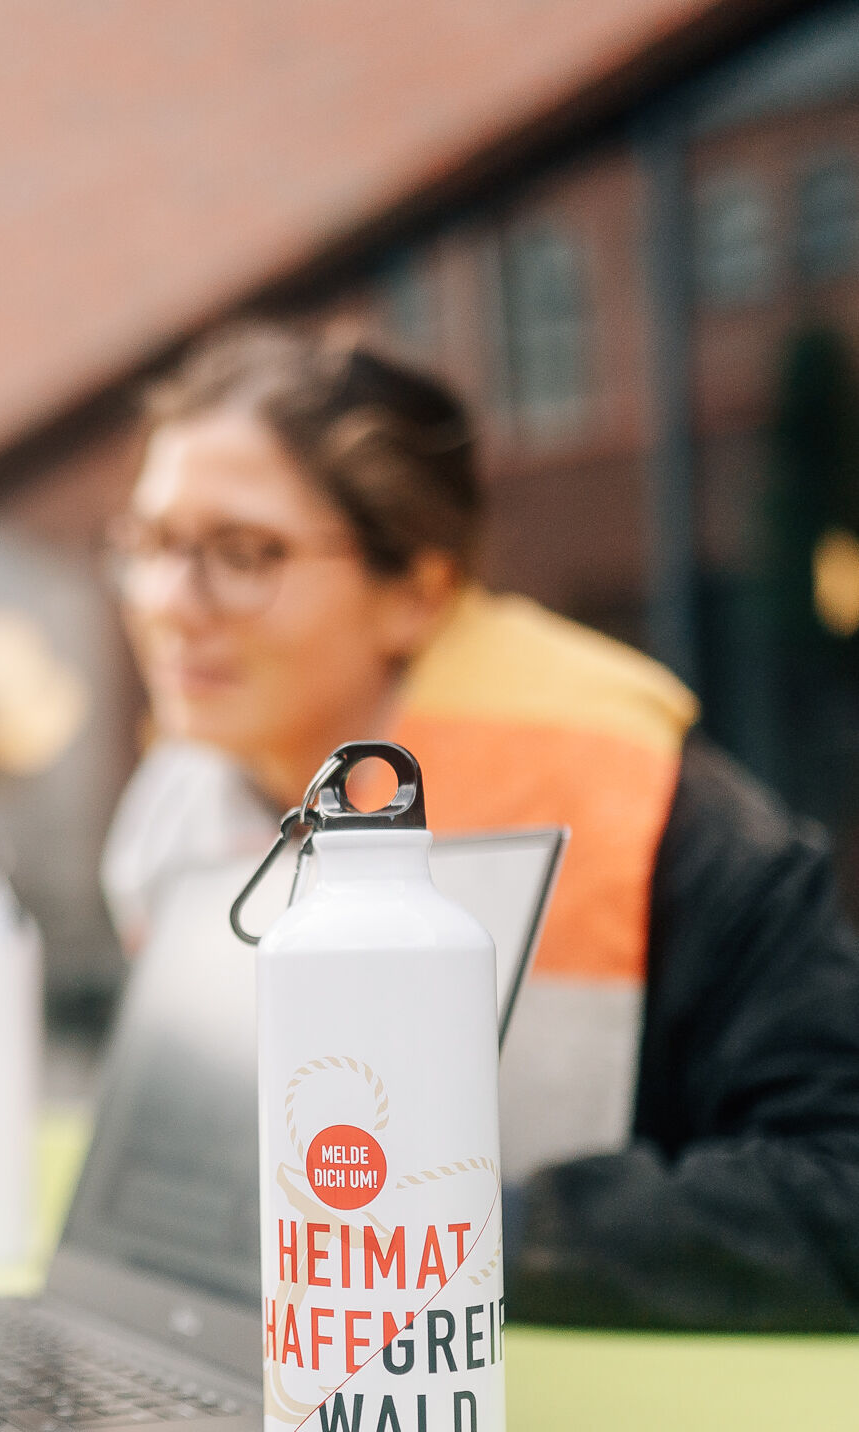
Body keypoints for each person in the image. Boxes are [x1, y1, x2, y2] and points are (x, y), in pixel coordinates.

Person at [103, 321, 859, 1331]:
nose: (166, 603)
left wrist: (464, 1232)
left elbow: (836, 1186)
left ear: (415, 592)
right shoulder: (177, 804)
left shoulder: (654, 808)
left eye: (241, 553)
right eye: (148, 545)